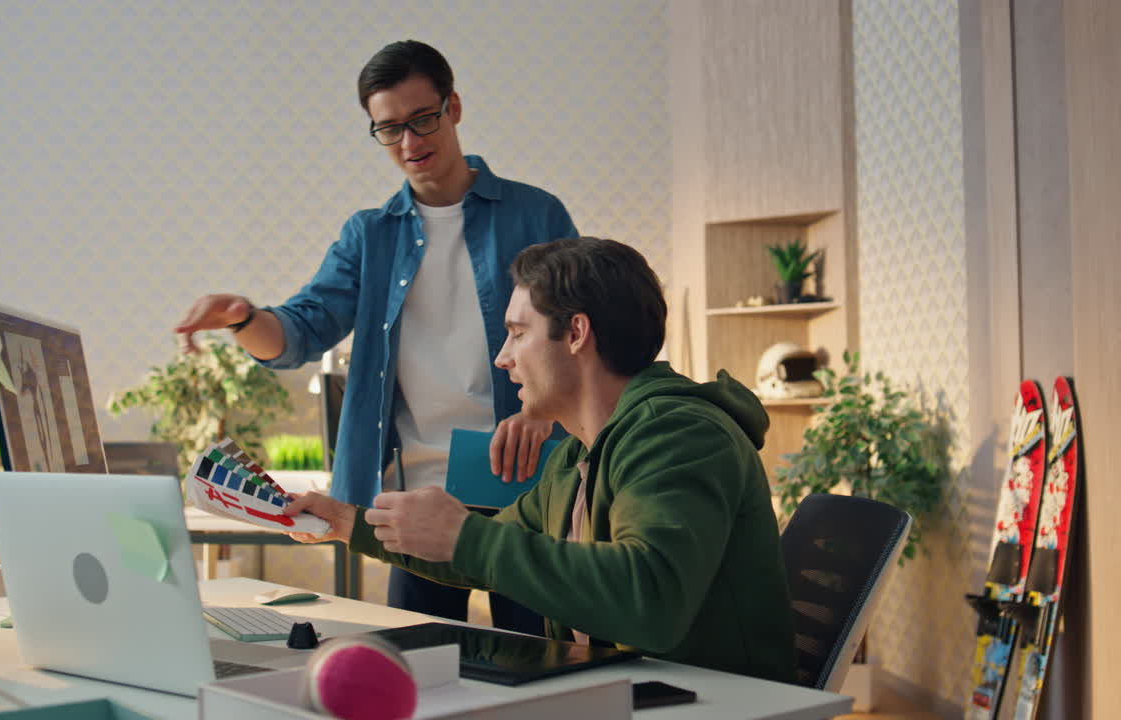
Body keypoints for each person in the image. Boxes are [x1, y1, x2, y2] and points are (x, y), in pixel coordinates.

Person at [173, 40, 575, 635]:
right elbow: (298, 335)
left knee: (544, 660)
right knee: (415, 669)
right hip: (412, 495)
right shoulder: (369, 235)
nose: (410, 143)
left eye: (422, 120)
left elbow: (581, 332)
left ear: (453, 107)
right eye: (389, 130)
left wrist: (543, 411)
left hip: (527, 485)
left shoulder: (535, 214)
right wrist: (242, 317)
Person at [285, 237, 797, 682]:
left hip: (714, 704)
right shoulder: (577, 456)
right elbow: (487, 547)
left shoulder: (678, 435)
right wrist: (345, 522)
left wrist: (465, 534)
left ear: (575, 333)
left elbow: (651, 599)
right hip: (633, 689)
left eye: (518, 332)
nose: (503, 357)